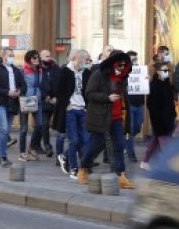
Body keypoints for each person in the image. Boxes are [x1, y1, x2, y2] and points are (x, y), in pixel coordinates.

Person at [81, 50, 135, 189]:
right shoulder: (98, 74)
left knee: (119, 145)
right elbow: (89, 93)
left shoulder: (123, 77)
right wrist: (107, 98)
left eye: (124, 65)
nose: (122, 67)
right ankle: (84, 167)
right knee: (96, 145)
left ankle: (120, 175)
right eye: (119, 64)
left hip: (117, 117)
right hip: (100, 117)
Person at [53, 50, 90, 179]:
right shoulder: (66, 71)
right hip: (70, 110)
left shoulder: (86, 72)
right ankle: (74, 168)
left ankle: (64, 156)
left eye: (86, 60)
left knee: (84, 139)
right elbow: (58, 90)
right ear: (76, 58)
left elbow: (88, 90)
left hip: (82, 109)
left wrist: (87, 105)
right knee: (73, 140)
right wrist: (67, 104)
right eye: (83, 60)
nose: (85, 63)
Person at [0, 49, 26, 167]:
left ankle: (0, 154)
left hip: (12, 103)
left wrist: (19, 91)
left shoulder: (16, 70)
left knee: (6, 130)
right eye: (9, 55)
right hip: (0, 102)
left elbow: (23, 85)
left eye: (12, 56)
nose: (11, 58)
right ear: (3, 56)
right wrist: (7, 92)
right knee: (4, 128)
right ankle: (3, 156)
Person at [145, 61, 177, 168]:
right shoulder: (154, 85)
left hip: (169, 118)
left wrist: (173, 114)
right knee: (165, 143)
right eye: (164, 71)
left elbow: (170, 102)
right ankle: (169, 165)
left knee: (155, 141)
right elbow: (151, 105)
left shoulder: (167, 84)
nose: (167, 72)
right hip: (160, 120)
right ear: (158, 72)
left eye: (168, 70)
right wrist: (159, 118)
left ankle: (145, 161)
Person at [18, 50, 43, 162]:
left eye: (37, 57)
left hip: (36, 99)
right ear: (29, 59)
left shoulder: (40, 70)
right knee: (24, 128)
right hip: (26, 99)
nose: (37, 59)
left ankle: (32, 147)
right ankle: (22, 152)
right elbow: (20, 84)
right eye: (34, 58)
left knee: (40, 125)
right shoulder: (23, 70)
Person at [123, 50, 145, 166]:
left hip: (139, 103)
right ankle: (131, 153)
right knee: (130, 130)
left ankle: (126, 143)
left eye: (135, 59)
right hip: (130, 104)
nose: (134, 62)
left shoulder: (140, 71)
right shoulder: (124, 73)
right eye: (132, 60)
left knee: (137, 126)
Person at [36, 50, 58, 158]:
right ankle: (47, 145)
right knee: (44, 124)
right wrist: (45, 97)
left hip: (54, 100)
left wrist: (56, 97)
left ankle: (36, 144)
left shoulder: (55, 68)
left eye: (50, 56)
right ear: (41, 58)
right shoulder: (38, 70)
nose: (48, 58)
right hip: (44, 101)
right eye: (46, 56)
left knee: (50, 124)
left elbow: (59, 82)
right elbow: (38, 85)